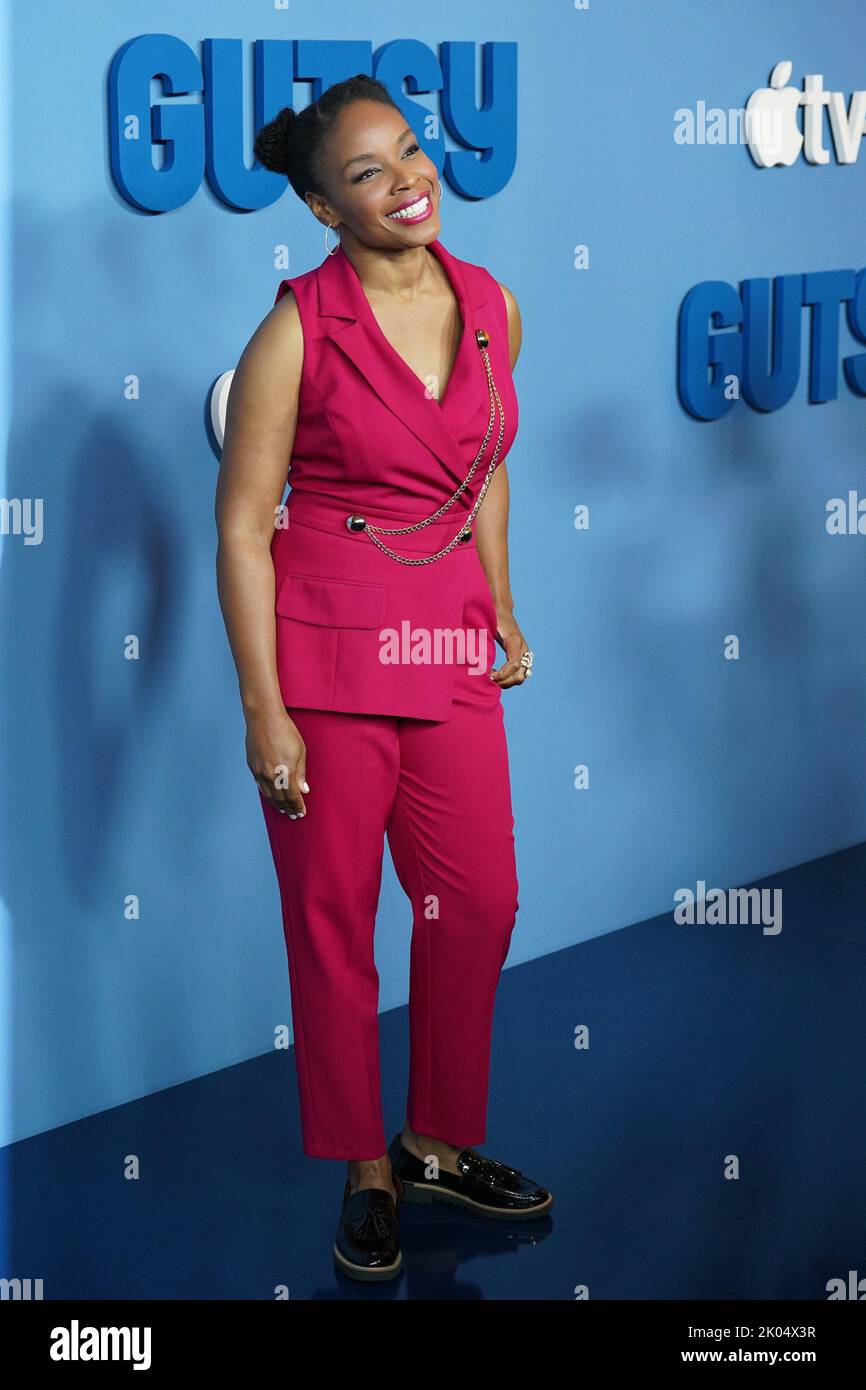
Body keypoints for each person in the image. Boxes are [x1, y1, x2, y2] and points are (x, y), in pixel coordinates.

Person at [215, 73, 552, 1282]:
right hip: (324, 664)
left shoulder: (492, 304)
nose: (407, 180)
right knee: (336, 923)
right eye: (367, 171)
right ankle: (364, 1167)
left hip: (448, 642)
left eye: (408, 151)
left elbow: (486, 463)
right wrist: (264, 710)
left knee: (478, 899)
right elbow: (244, 526)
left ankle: (435, 1140)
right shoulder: (295, 329)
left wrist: (499, 598)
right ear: (321, 204)